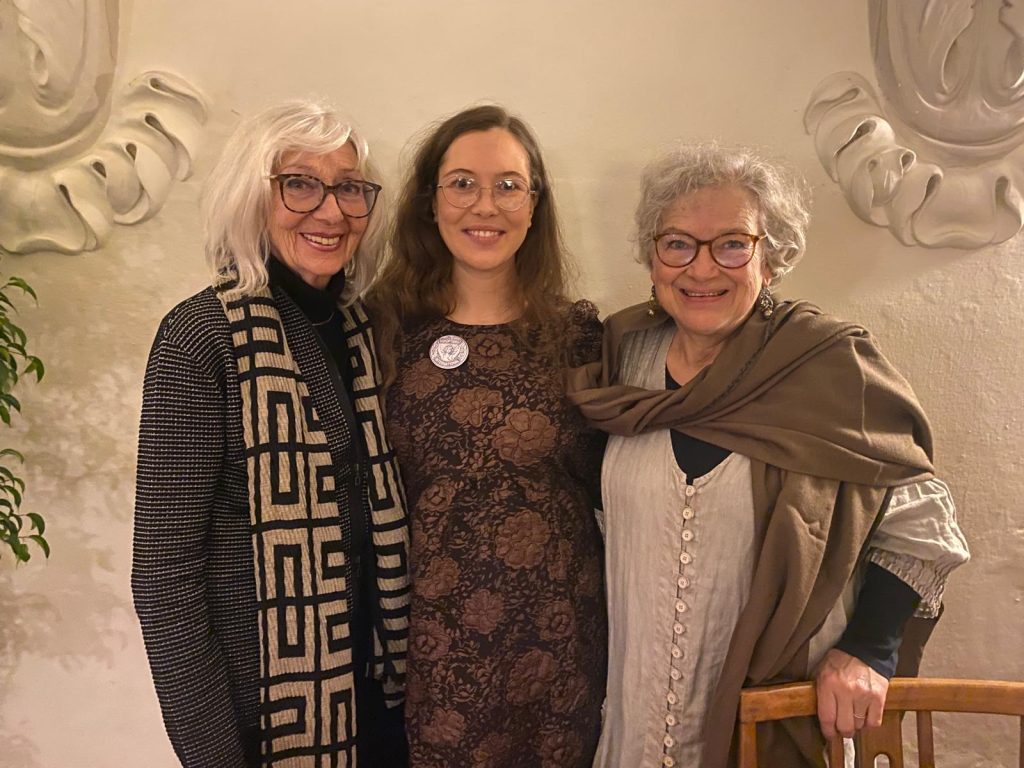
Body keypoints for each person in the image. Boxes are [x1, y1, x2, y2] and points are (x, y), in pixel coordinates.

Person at [567, 142, 970, 768]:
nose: (702, 269)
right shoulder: (623, 355)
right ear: (652, 258)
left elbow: (920, 520)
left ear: (772, 257)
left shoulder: (827, 363)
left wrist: (868, 649)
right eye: (678, 244)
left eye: (733, 244)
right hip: (634, 714)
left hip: (778, 712)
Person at [132, 100, 410, 768]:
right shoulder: (200, 338)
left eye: (349, 188)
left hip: (373, 690)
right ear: (250, 197)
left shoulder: (363, 329)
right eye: (300, 184)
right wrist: (211, 753)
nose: (331, 211)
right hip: (264, 715)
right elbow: (164, 575)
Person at [366, 105, 607, 768]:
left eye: (508, 186)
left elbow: (612, 486)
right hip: (429, 650)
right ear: (430, 201)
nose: (485, 205)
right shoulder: (381, 332)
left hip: (560, 648)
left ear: (535, 204)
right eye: (463, 183)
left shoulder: (579, 336)